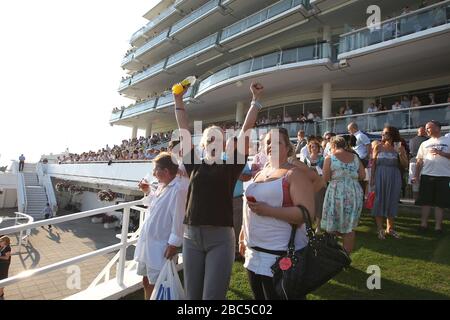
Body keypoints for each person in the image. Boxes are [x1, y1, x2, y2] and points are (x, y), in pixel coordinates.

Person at [173, 82, 261, 300]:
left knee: (212, 297)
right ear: (203, 144)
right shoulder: (193, 162)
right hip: (191, 236)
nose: (214, 142)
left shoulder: (231, 165)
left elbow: (245, 131)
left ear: (224, 145)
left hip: (220, 238)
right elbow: (184, 129)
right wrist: (178, 100)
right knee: (192, 296)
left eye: (219, 139)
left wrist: (255, 100)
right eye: (210, 138)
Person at [240, 128, 315, 300]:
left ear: (288, 147)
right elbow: (249, 208)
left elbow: (306, 215)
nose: (270, 145)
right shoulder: (260, 173)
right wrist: (242, 234)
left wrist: (269, 211)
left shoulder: (294, 174)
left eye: (277, 142)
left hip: (280, 256)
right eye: (267, 142)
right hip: (253, 254)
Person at [134, 152, 188, 300]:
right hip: (148, 244)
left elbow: (179, 219)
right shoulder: (162, 185)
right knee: (146, 281)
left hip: (161, 247)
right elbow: (154, 204)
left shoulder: (178, 189)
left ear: (165, 171)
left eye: (155, 169)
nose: (153, 173)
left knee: (159, 285)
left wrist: (173, 244)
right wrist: (147, 191)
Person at [321, 136, 365, 254]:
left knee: (332, 224)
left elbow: (325, 178)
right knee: (349, 227)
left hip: (336, 192)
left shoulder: (329, 158)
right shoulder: (355, 157)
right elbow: (362, 175)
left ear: (333, 146)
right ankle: (346, 257)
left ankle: (332, 256)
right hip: (354, 192)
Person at [371, 126, 408, 240]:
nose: (382, 134)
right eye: (382, 132)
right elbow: (374, 164)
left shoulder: (399, 147)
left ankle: (390, 228)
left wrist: (400, 153)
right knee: (379, 200)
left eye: (385, 133)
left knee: (392, 200)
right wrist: (372, 178)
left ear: (392, 135)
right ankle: (379, 229)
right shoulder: (378, 146)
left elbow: (405, 165)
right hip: (380, 175)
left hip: (394, 176)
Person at [413, 121, 450, 234]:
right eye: (426, 128)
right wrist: (416, 175)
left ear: (437, 128)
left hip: (444, 175)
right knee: (425, 202)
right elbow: (419, 160)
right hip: (427, 175)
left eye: (429, 128)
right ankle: (423, 225)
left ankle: (438, 227)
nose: (427, 130)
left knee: (440, 203)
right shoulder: (425, 143)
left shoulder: (448, 140)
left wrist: (441, 153)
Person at [303, 140, 325, 232]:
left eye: (315, 147)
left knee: (319, 203)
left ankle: (318, 226)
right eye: (312, 147)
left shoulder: (322, 158)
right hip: (309, 184)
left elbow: (324, 172)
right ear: (310, 148)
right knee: (309, 204)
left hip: (319, 184)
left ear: (318, 148)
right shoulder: (306, 159)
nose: (314, 148)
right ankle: (309, 224)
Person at [409, 127, 429, 199]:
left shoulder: (411, 140)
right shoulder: (427, 140)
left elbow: (410, 152)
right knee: (424, 181)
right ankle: (423, 199)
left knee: (415, 183)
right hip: (423, 161)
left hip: (413, 161)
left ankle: (415, 199)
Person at [0, 236, 12, 300]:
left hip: (4, 266)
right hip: (1, 264)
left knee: (2, 278)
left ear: (5, 242)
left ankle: (1, 294)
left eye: (1, 241)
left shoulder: (8, 248)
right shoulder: (2, 246)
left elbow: (6, 258)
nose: (0, 242)